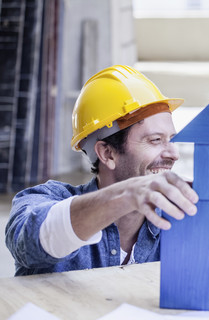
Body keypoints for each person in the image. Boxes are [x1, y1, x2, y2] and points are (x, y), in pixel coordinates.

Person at [5, 65, 198, 276]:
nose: (173, 153)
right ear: (107, 154)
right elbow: (29, 241)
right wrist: (125, 196)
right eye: (155, 140)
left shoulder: (177, 218)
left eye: (171, 139)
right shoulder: (45, 198)